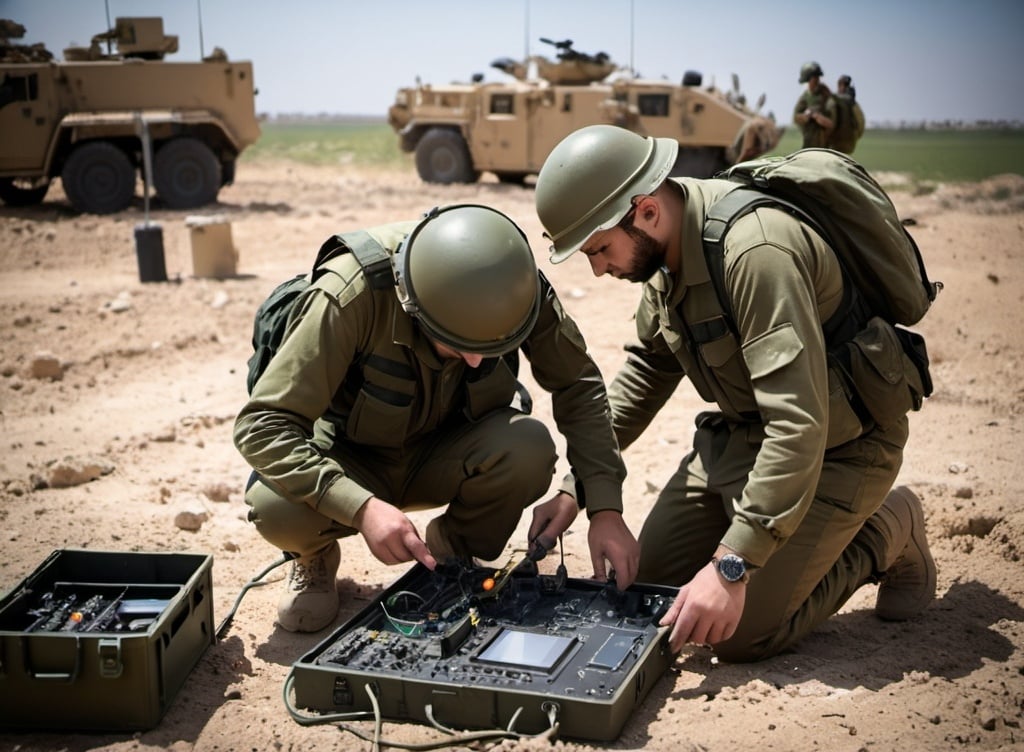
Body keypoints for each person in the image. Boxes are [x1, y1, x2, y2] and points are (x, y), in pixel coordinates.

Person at [533, 124, 937, 662]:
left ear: (647, 210)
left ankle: (889, 526)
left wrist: (732, 565)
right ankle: (757, 534)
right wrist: (576, 485)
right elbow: (647, 373)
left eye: (601, 249)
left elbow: (798, 425)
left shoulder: (756, 252)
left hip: (839, 449)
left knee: (739, 631)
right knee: (646, 590)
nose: (599, 268)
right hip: (745, 438)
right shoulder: (661, 253)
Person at [234, 203, 639, 632]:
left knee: (528, 448)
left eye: (491, 346)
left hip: (447, 452)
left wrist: (604, 507)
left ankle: (454, 553)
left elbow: (578, 386)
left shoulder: (514, 285)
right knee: (276, 505)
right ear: (414, 306)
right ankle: (312, 556)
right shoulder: (352, 292)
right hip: (352, 461)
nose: (475, 359)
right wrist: (361, 507)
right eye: (456, 343)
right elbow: (262, 425)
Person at [792, 61, 836, 148]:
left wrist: (817, 117)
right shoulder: (805, 96)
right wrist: (806, 116)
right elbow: (796, 117)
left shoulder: (826, 96)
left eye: (816, 78)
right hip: (808, 143)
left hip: (825, 145)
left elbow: (831, 124)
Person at [828, 74, 866, 154]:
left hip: (841, 145)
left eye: (845, 85)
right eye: (841, 84)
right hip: (839, 145)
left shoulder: (852, 105)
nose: (843, 87)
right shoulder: (834, 101)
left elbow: (860, 125)